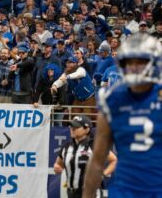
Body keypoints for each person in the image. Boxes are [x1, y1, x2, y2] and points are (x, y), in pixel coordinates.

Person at [83, 34, 162, 198]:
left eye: (140, 62)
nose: (133, 67)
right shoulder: (112, 98)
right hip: (125, 190)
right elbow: (98, 159)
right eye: (129, 62)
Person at [54, 115, 117, 198]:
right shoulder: (66, 146)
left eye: (76, 126)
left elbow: (114, 160)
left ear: (87, 129)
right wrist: (57, 167)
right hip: (71, 193)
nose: (72, 129)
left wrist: (103, 175)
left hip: (90, 193)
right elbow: (58, 164)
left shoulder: (94, 145)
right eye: (71, 126)